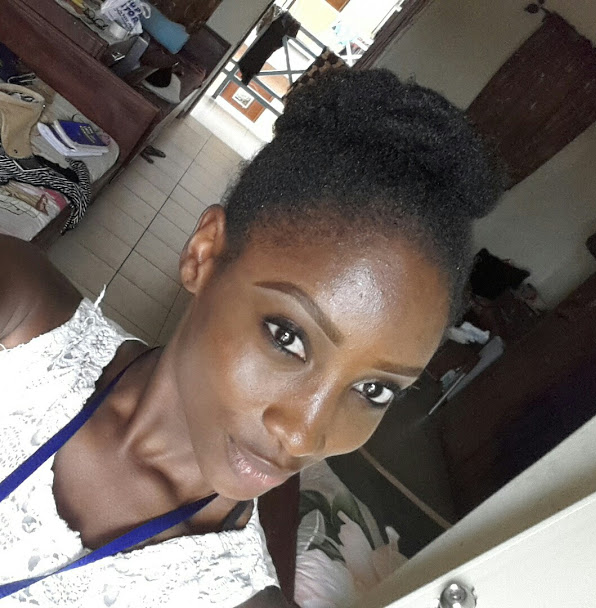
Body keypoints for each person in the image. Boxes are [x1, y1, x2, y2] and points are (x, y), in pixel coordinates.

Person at [0, 68, 501, 607]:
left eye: (374, 390)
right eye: (288, 336)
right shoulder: (18, 318)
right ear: (204, 255)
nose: (304, 437)